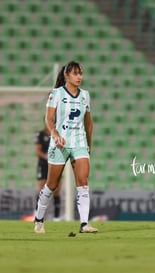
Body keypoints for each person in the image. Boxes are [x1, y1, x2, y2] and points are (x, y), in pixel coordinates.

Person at [34, 61, 98, 234]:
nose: (79, 77)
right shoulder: (56, 94)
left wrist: (88, 145)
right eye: (75, 73)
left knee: (83, 182)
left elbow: (88, 123)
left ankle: (84, 224)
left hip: (79, 143)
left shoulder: (85, 95)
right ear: (66, 75)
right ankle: (39, 219)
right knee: (51, 185)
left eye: (81, 73)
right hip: (60, 143)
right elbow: (48, 119)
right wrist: (55, 135)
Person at [34, 125, 61, 221]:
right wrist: (46, 157)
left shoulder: (57, 134)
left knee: (56, 189)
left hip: (55, 164)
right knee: (41, 188)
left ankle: (57, 217)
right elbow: (37, 150)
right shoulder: (40, 134)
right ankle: (37, 214)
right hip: (43, 165)